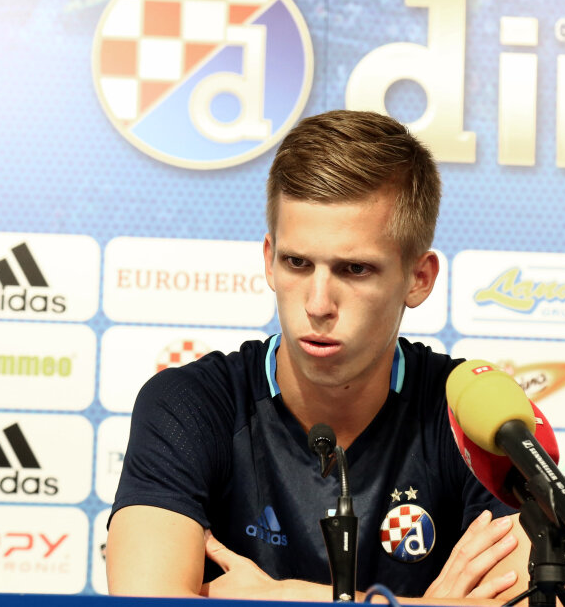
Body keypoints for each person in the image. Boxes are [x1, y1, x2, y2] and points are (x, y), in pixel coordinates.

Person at [106, 110, 530, 601]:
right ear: (269, 260)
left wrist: (280, 598)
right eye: (297, 263)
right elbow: (146, 601)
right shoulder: (189, 404)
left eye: (354, 269)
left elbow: (543, 599)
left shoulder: (474, 412)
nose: (317, 304)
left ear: (419, 278)